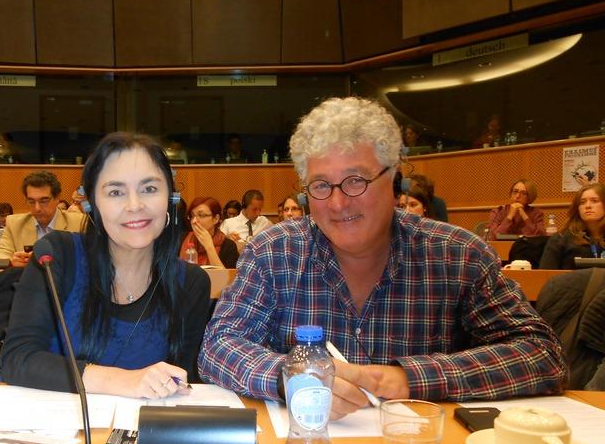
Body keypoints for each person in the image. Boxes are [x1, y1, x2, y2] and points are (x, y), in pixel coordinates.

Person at [198, 97, 565, 416]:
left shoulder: (459, 255)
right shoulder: (274, 251)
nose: (338, 203)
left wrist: (406, 378)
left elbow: (542, 354)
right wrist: (288, 376)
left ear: (395, 179)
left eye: (356, 180)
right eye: (322, 186)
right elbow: (218, 346)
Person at [1, 132, 211, 396]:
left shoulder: (190, 283)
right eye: (115, 192)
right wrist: (125, 381)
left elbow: (182, 379)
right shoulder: (58, 255)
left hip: (136, 433)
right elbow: (17, 358)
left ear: (170, 198)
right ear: (92, 204)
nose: (135, 205)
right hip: (54, 428)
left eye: (149, 189)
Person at [0, 170, 85, 267]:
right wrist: (11, 262)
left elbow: (93, 259)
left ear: (57, 198)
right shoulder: (14, 223)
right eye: (31, 201)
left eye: (43, 201)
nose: (37, 208)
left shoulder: (79, 223)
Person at [540, 183, 605, 269]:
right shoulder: (560, 239)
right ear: (577, 208)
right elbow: (545, 276)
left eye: (594, 201)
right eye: (582, 202)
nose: (588, 206)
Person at [180, 197, 239, 268]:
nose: (194, 221)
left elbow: (226, 277)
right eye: (192, 216)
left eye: (201, 215)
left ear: (216, 219)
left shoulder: (228, 246)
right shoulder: (182, 239)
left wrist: (209, 246)